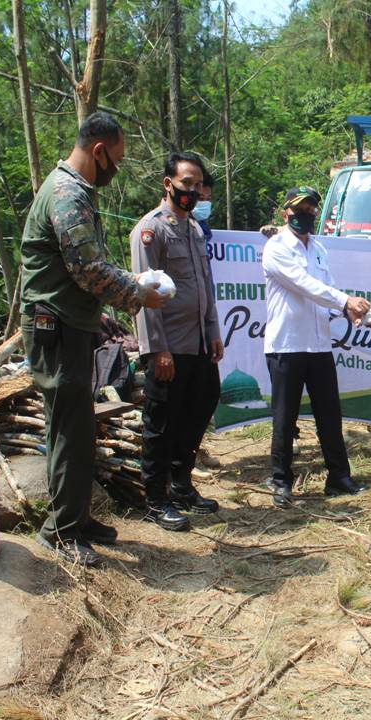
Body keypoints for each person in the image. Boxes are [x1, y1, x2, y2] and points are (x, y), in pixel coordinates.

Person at [20, 112, 166, 566]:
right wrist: (137, 294)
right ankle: (60, 532)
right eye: (116, 161)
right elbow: (86, 270)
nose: (115, 170)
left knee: (77, 425)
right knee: (68, 427)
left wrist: (130, 282)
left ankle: (76, 519)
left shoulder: (74, 192)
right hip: (56, 326)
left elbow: (85, 263)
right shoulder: (66, 194)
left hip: (69, 325)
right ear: (99, 151)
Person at [262, 186, 371, 507]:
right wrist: (345, 300)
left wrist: (346, 310)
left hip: (319, 344)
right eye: (299, 209)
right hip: (287, 344)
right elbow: (304, 285)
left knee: (329, 414)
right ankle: (281, 481)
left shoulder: (319, 248)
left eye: (311, 209)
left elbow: (327, 289)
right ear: (285, 213)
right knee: (285, 417)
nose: (306, 214)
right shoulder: (276, 248)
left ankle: (338, 477)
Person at [131, 152, 223, 531]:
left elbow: (205, 287)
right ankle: (154, 500)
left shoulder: (195, 228)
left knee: (199, 411)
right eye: (187, 183)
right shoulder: (150, 231)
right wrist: (158, 349)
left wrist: (214, 331)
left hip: (199, 343)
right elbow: (143, 292)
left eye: (198, 184)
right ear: (168, 184)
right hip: (170, 347)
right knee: (161, 425)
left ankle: (182, 485)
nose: (194, 191)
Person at [192, 171, 214, 242]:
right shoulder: (174, 227)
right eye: (201, 198)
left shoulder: (205, 229)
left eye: (208, 199)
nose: (205, 203)